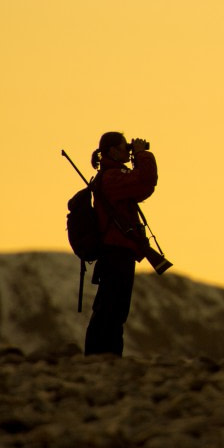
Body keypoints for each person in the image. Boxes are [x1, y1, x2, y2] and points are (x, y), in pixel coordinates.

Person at [84, 131, 158, 357]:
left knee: (116, 309)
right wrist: (142, 155)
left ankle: (108, 355)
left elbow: (144, 185)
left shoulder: (114, 176)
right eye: (124, 146)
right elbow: (145, 180)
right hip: (115, 252)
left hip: (119, 252)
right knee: (110, 307)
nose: (128, 149)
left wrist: (138, 157)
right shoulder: (111, 178)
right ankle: (100, 354)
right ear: (112, 151)